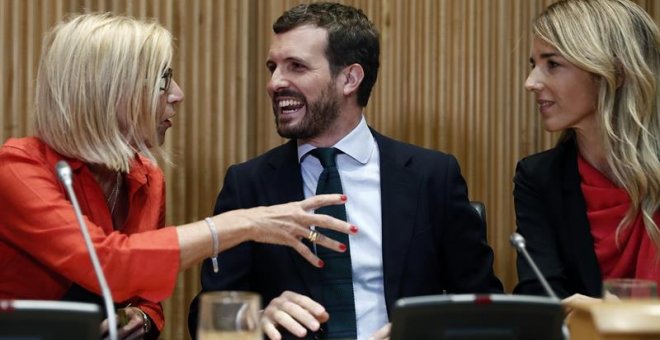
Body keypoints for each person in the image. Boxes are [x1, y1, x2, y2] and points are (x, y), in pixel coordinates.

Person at [0, 13, 354, 339]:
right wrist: (246, 222)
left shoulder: (146, 178)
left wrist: (141, 316)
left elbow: (145, 294)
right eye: (163, 80)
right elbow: (109, 263)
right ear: (109, 91)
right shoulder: (17, 169)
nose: (178, 95)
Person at [188, 2, 503, 339]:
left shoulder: (432, 176)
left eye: (296, 66)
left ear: (349, 78)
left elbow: (487, 308)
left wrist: (423, 329)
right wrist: (257, 316)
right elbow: (206, 316)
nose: (274, 83)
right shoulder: (248, 184)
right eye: (272, 67)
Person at [513, 0, 660, 308]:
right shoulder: (538, 178)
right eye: (533, 65)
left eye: (552, 64)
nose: (531, 82)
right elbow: (541, 297)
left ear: (614, 72)